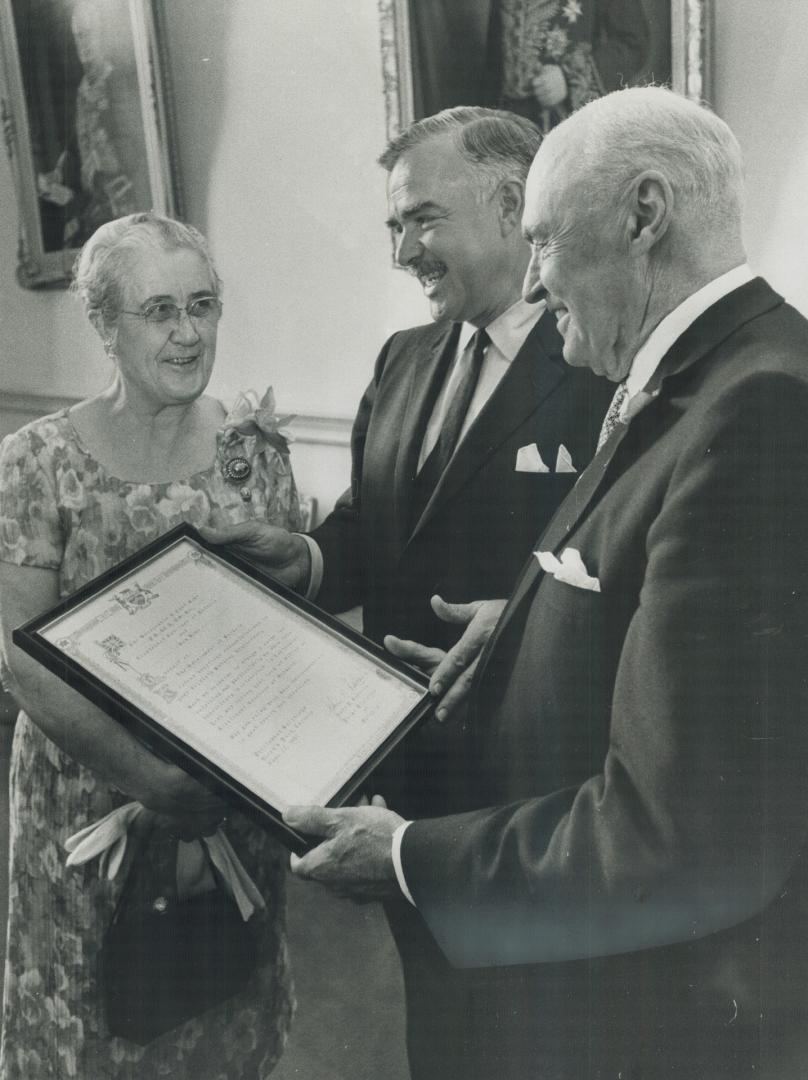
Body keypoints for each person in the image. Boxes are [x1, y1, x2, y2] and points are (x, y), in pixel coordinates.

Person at [279, 87, 808, 1080]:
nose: (531, 281)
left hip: (658, 990)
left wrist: (402, 857)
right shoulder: (719, 369)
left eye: (544, 241)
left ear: (643, 214)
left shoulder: (758, 406)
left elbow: (681, 832)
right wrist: (526, 621)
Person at [204, 106, 611, 821]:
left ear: (512, 207)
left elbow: (618, 571)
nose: (402, 253)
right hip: (399, 768)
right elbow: (378, 528)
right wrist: (301, 560)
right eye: (395, 227)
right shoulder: (401, 358)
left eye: (422, 219)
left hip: (533, 787)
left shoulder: (600, 361)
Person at [0, 212, 297, 1078]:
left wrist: (205, 784)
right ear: (102, 325)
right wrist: (151, 780)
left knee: (215, 1009)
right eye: (159, 310)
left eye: (202, 305)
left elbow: (276, 636)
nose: (188, 332)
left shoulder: (253, 452)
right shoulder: (36, 462)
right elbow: (17, 654)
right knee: (90, 1020)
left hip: (224, 796)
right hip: (84, 795)